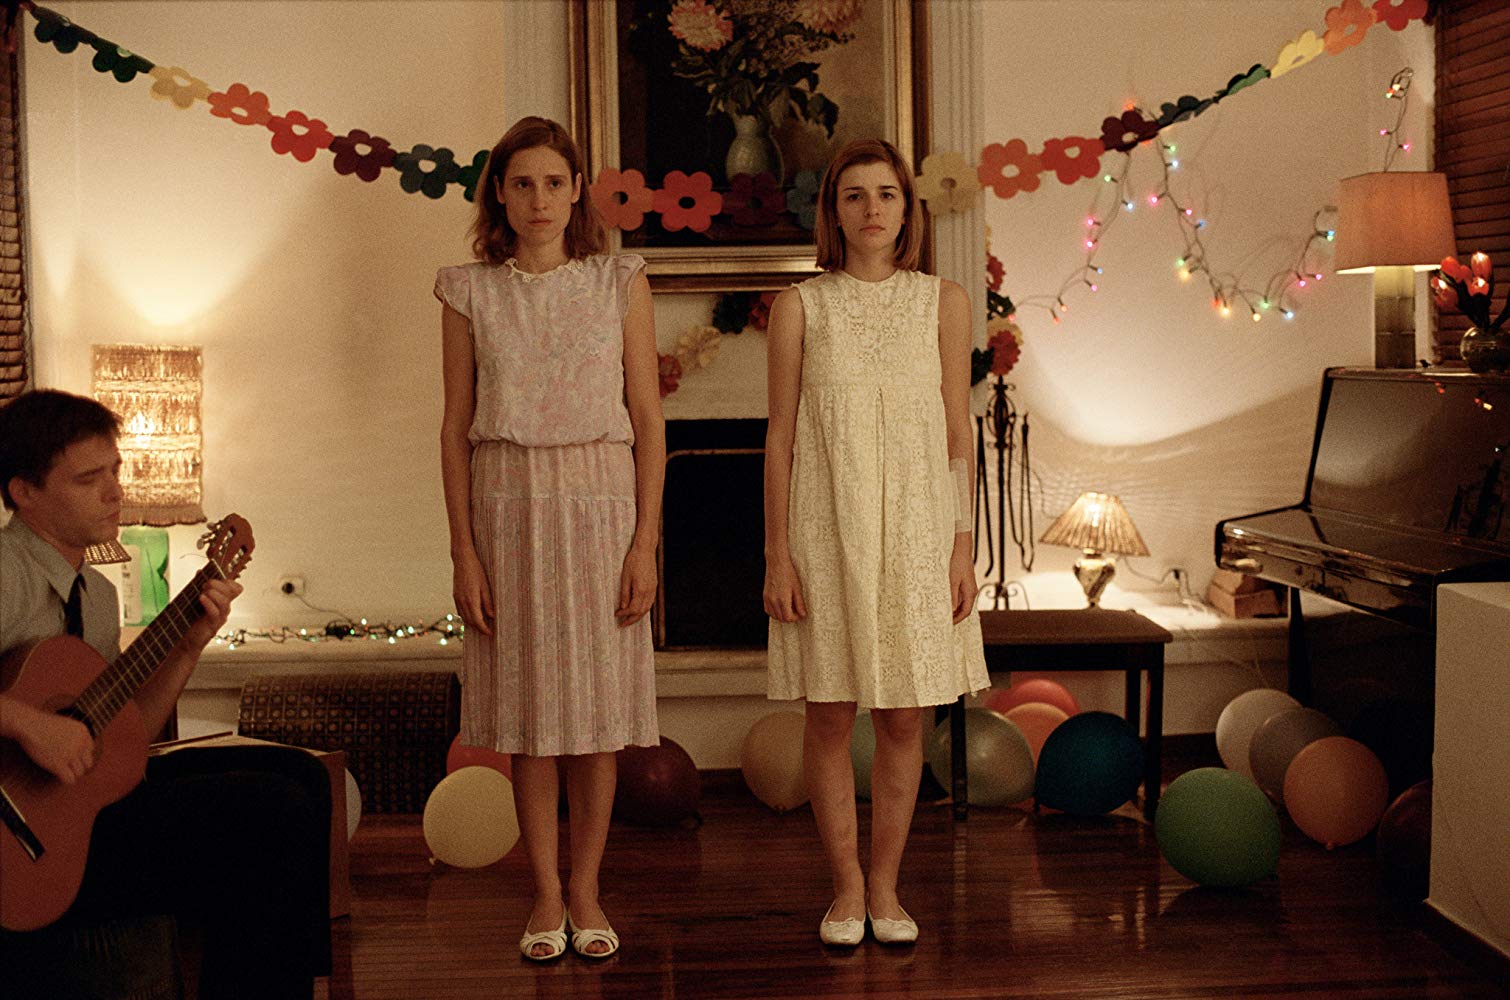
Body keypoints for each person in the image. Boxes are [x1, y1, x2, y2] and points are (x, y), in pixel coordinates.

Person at [0, 388, 332, 999]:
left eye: (115, 471)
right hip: (18, 850)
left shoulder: (96, 595)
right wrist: (23, 723)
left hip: (74, 818)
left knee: (299, 776)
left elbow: (122, 740)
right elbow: (45, 729)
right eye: (87, 478)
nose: (115, 491)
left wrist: (188, 646)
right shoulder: (5, 573)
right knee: (267, 812)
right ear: (24, 492)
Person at [436, 116, 664, 962]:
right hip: (508, 506)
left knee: (595, 718)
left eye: (555, 183)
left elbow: (647, 418)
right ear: (499, 190)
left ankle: (587, 890)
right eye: (522, 182)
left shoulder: (618, 281)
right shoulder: (469, 290)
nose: (539, 199)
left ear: (578, 194)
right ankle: (542, 894)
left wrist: (646, 543)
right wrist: (464, 550)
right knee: (532, 718)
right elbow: (455, 426)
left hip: (602, 506)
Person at [763, 138, 989, 946]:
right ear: (834, 211)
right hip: (824, 533)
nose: (871, 210)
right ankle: (845, 889)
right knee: (829, 715)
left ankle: (888, 889)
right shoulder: (801, 307)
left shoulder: (944, 302)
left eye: (886, 194)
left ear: (907, 208)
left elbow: (960, 435)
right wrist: (777, 554)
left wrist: (962, 546)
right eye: (854, 196)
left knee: (901, 718)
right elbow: (781, 439)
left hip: (921, 534)